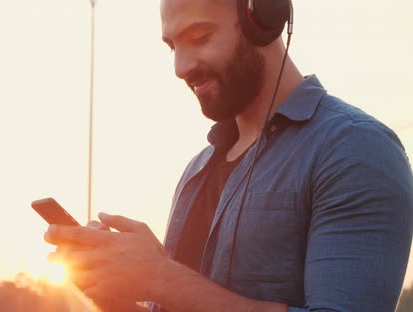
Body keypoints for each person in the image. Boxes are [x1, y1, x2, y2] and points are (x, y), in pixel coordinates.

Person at [44, 0, 413, 311]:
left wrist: (158, 275)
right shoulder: (197, 169)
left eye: (199, 38)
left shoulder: (355, 150)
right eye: (172, 46)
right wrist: (121, 293)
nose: (180, 67)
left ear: (262, 18)